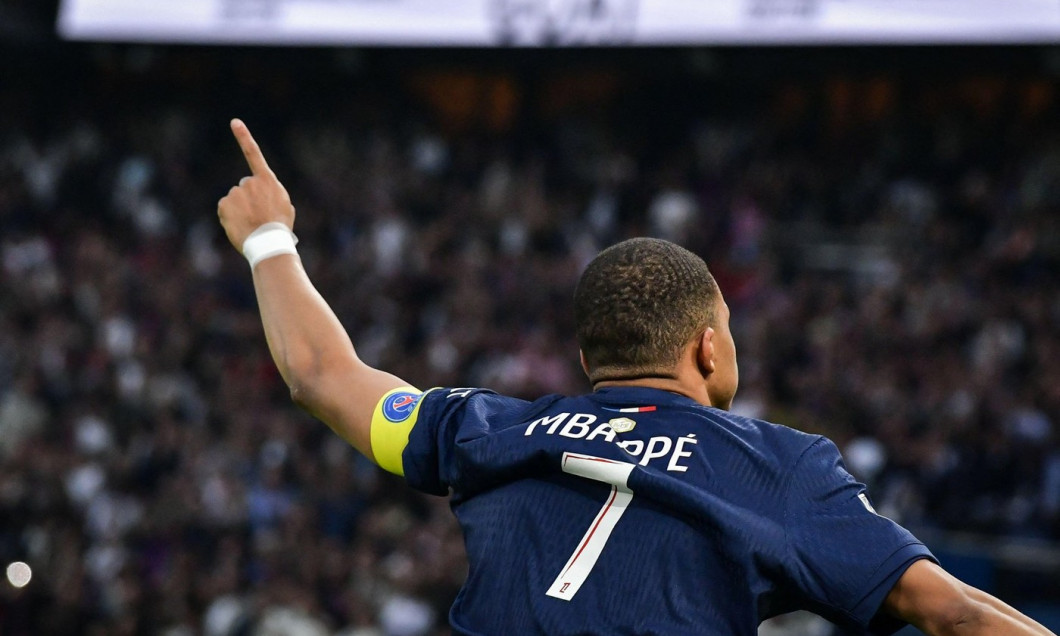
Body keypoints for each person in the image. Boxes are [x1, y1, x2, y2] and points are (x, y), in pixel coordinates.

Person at [216, 118, 1055, 636]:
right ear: (707, 349)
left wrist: (270, 240)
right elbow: (952, 614)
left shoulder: (489, 430)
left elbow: (322, 374)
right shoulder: (784, 466)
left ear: (589, 362)